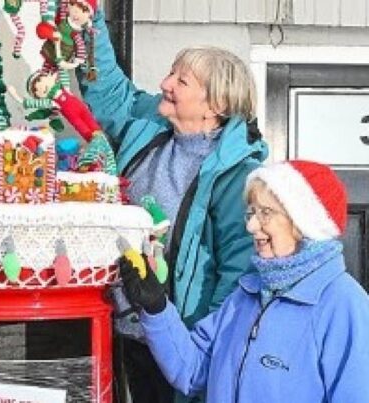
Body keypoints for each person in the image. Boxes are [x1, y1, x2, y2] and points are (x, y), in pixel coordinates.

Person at [80, 9, 268, 403]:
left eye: (181, 81)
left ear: (213, 104)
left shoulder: (236, 176)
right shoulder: (152, 124)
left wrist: (203, 352)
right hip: (115, 325)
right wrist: (90, 24)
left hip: (175, 341)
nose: (165, 84)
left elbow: (237, 275)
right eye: (171, 73)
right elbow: (111, 95)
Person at [117, 160, 369, 402]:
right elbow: (191, 371)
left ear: (303, 223)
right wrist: (156, 307)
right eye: (251, 212)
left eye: (266, 213)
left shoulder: (344, 305)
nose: (250, 225)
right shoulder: (246, 295)